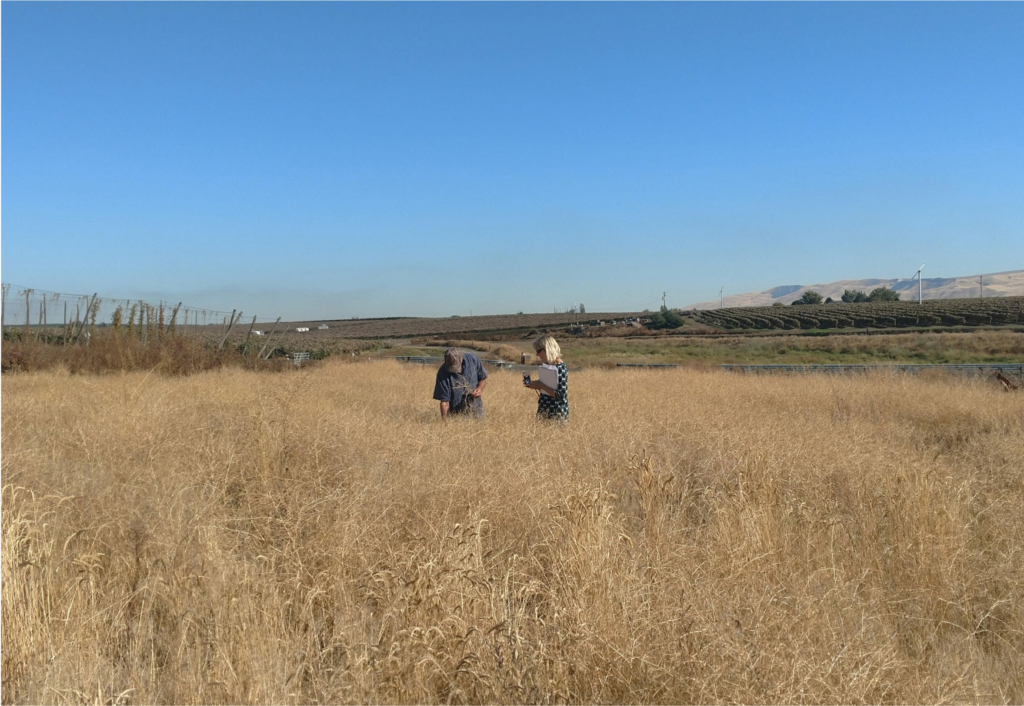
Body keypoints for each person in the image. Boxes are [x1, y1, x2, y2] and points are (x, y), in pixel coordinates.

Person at [433, 347, 488, 420]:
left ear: (462, 358)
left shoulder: (473, 360)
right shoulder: (442, 374)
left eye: (455, 367)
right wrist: (445, 424)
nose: (454, 371)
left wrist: (479, 389)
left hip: (476, 408)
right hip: (456, 415)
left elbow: (482, 378)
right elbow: (444, 402)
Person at [523, 334, 568, 421]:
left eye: (539, 351)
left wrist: (541, 386)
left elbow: (561, 396)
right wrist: (535, 385)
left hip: (556, 415)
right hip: (543, 412)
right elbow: (548, 388)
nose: (537, 354)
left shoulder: (560, 368)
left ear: (547, 349)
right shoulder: (547, 366)